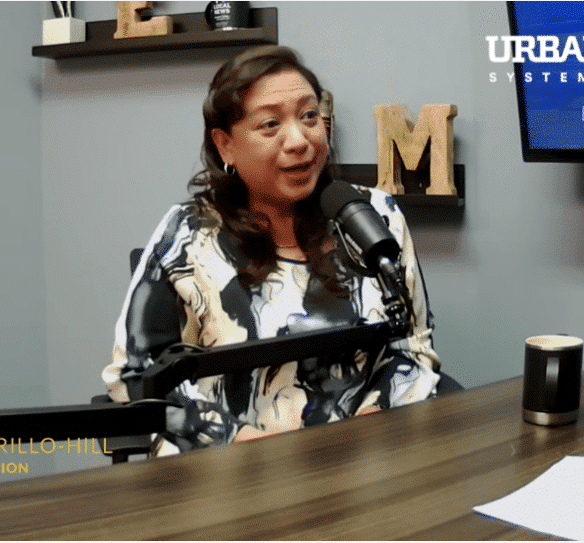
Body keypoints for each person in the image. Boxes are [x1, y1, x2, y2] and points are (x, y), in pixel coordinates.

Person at [103, 46, 441, 456]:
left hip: (363, 465)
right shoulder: (188, 235)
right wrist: (239, 443)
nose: (299, 141)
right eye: (270, 124)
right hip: (231, 476)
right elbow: (134, 376)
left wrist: (370, 425)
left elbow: (413, 349)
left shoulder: (375, 216)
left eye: (310, 116)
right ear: (225, 146)